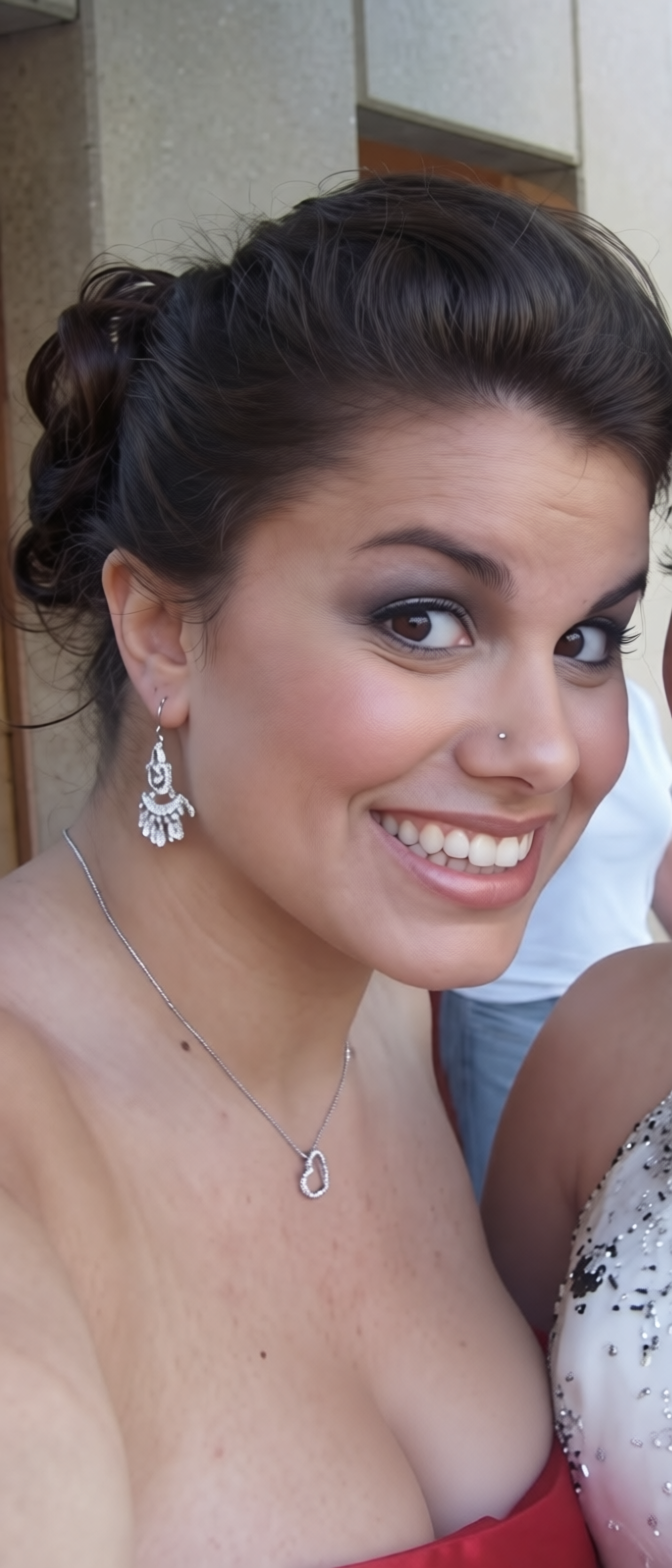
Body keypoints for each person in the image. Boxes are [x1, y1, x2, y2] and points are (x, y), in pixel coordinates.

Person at [1, 172, 669, 1568]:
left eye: (586, 640)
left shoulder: (390, 1011)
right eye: (424, 618)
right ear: (162, 632)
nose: (549, 749)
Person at [484, 614, 672, 1567]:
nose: (545, 753)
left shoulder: (628, 731)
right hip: (514, 999)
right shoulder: (612, 1043)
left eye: (594, 637)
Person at [441, 677, 672, 1196]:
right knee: (518, 1210)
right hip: (515, 1008)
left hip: (626, 1013)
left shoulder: (632, 709)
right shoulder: (502, 714)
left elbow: (661, 856)